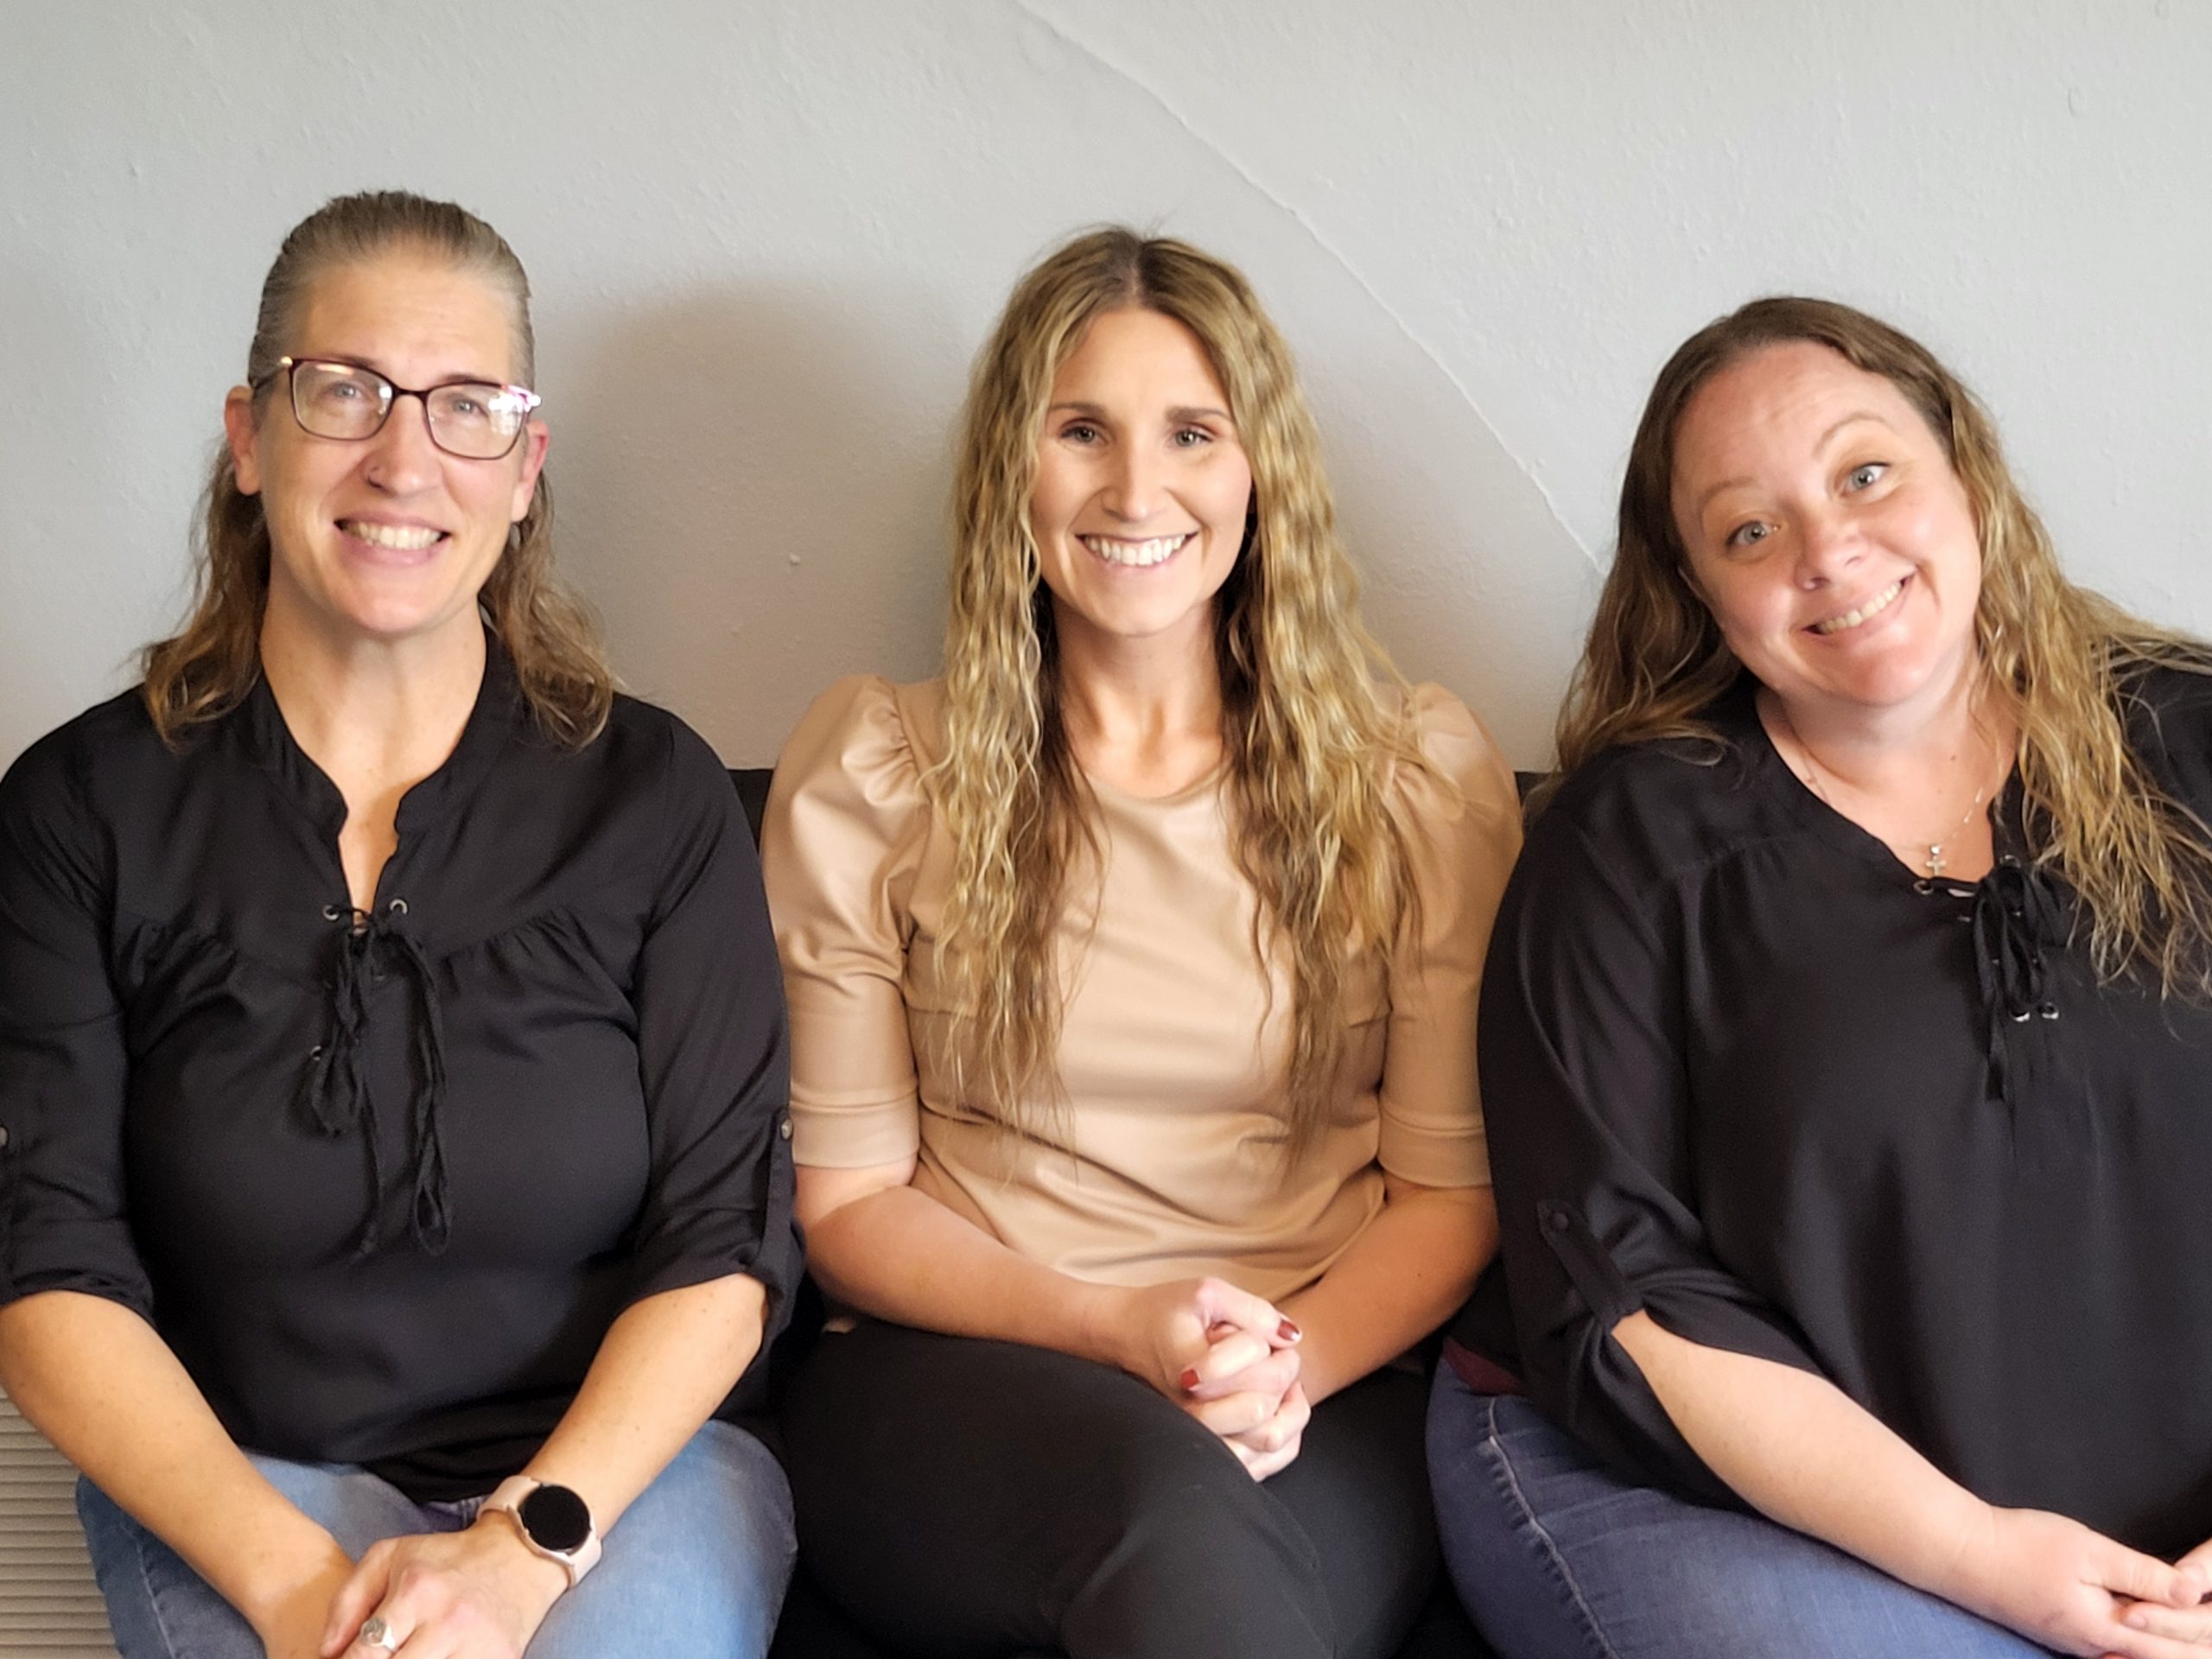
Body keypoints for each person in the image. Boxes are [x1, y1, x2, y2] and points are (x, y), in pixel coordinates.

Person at [0, 191, 800, 1659]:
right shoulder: (78, 812)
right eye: (344, 390)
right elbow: (48, 1269)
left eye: (467, 407)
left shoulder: (658, 799)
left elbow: (727, 1243)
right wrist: (297, 1588)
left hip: (623, 1483)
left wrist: (519, 1550)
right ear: (250, 438)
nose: (404, 457)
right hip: (246, 1486)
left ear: (525, 472)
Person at [762, 226, 1521, 1659]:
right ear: (1013, 471)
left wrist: (1272, 1372)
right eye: (1082, 432)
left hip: (1317, 1379)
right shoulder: (881, 772)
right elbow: (848, 1209)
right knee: (1174, 1532)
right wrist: (1117, 1330)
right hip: (959, 1371)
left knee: (1204, 1564)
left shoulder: (1413, 783)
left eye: (1191, 433)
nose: (1134, 488)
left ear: (1258, 473)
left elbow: (1446, 1197)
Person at [1431, 296, 2212, 1659]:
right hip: (1699, 1486)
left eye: (1865, 473)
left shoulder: (2190, 741)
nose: (1828, 551)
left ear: (1967, 475)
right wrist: (1984, 1562)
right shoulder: (1625, 850)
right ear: (1697, 590)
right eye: (1749, 529)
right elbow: (1624, 1301)